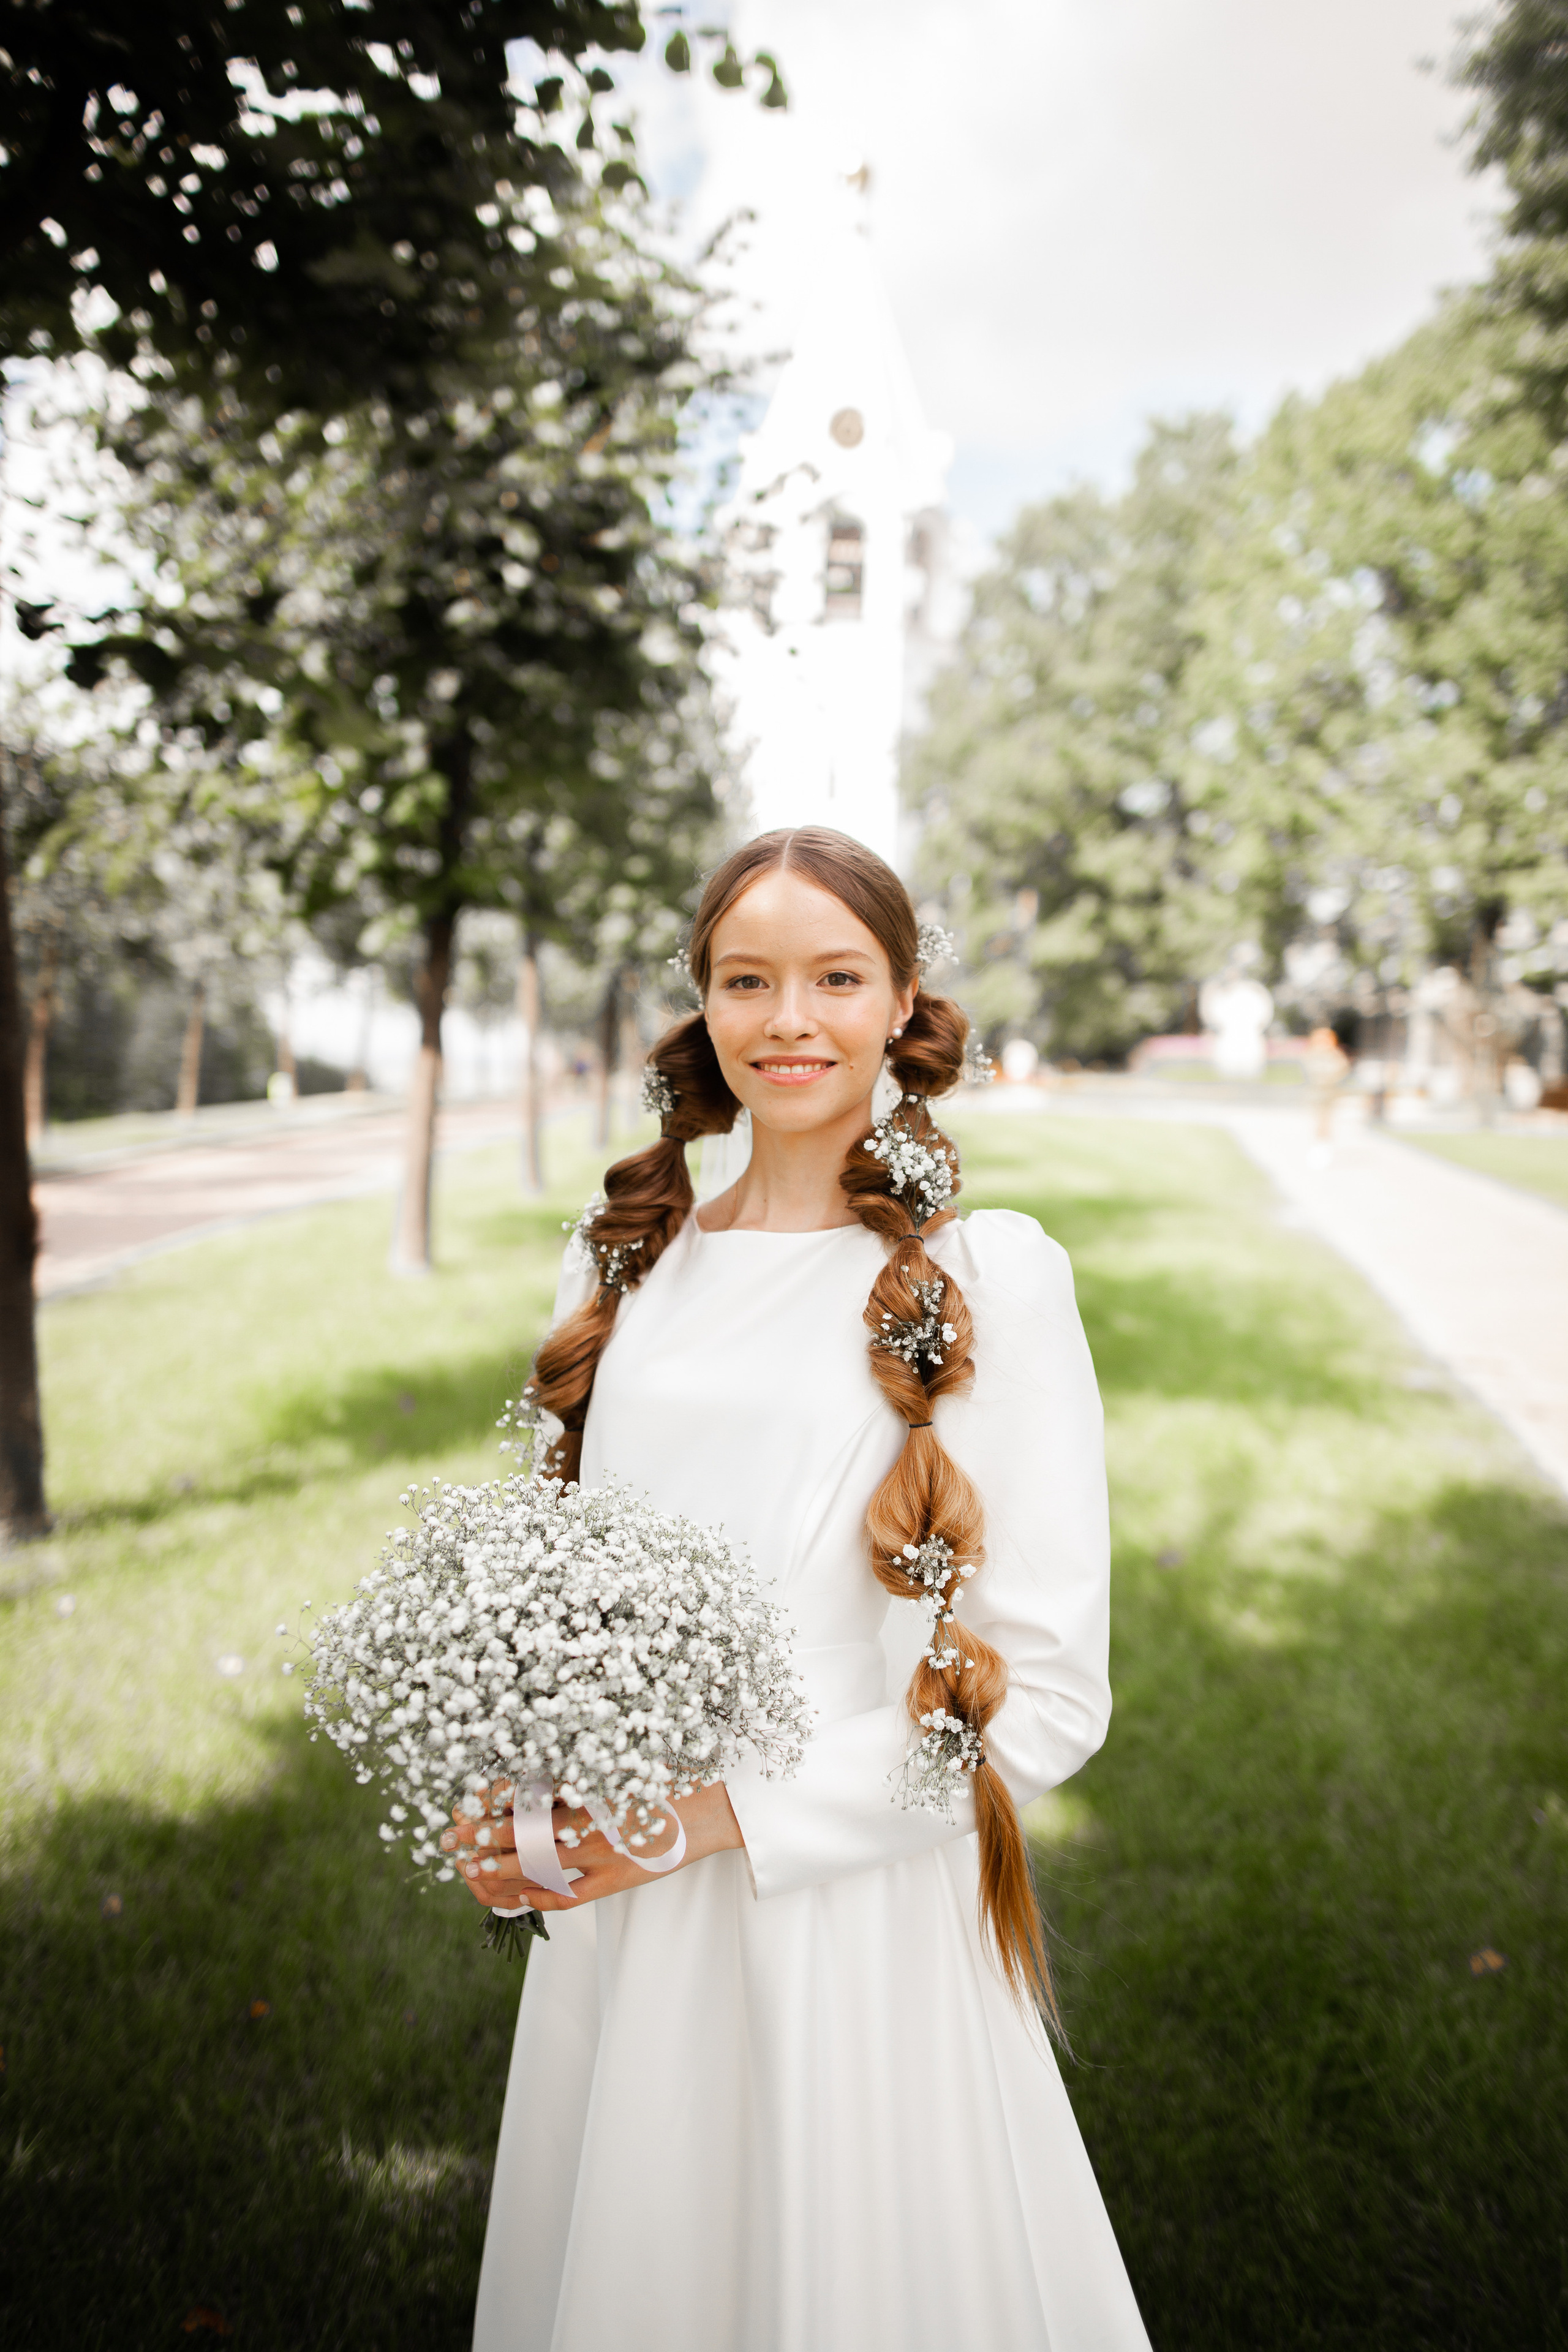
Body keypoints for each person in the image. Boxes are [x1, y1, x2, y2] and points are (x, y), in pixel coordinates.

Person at [451, 827, 1150, 2352]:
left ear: (902, 1004)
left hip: (844, 1908)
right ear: (699, 1003)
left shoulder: (990, 1279)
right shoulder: (619, 1261)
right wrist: (522, 1797)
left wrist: (694, 1823)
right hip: (623, 1927)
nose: (788, 1020)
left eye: (835, 978)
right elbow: (560, 1596)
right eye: (746, 979)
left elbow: (1038, 1701)